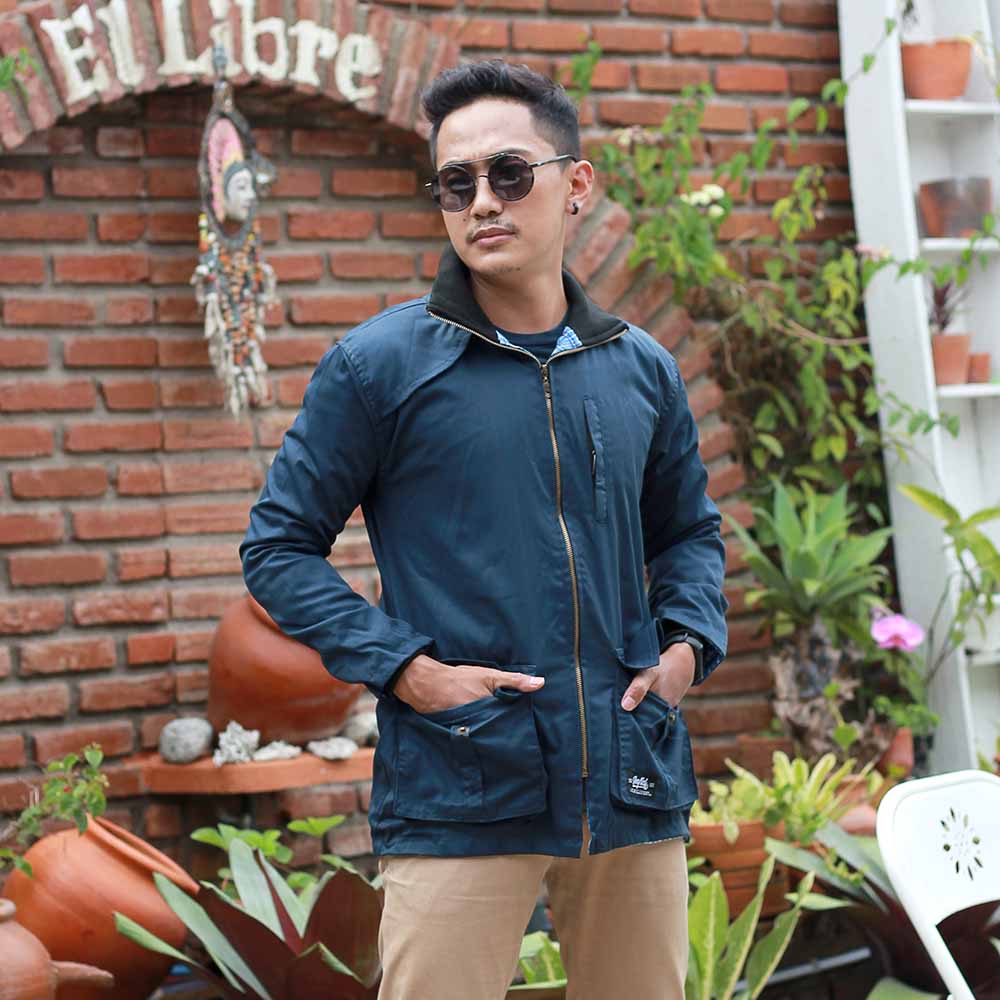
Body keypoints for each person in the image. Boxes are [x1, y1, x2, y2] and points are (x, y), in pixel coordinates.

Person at [240, 59, 729, 1000]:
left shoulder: (641, 369)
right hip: (463, 779)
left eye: (509, 173)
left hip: (630, 772)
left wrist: (684, 648)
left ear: (575, 184)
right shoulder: (378, 368)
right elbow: (277, 548)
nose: (483, 202)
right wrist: (409, 670)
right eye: (456, 183)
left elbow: (687, 534)